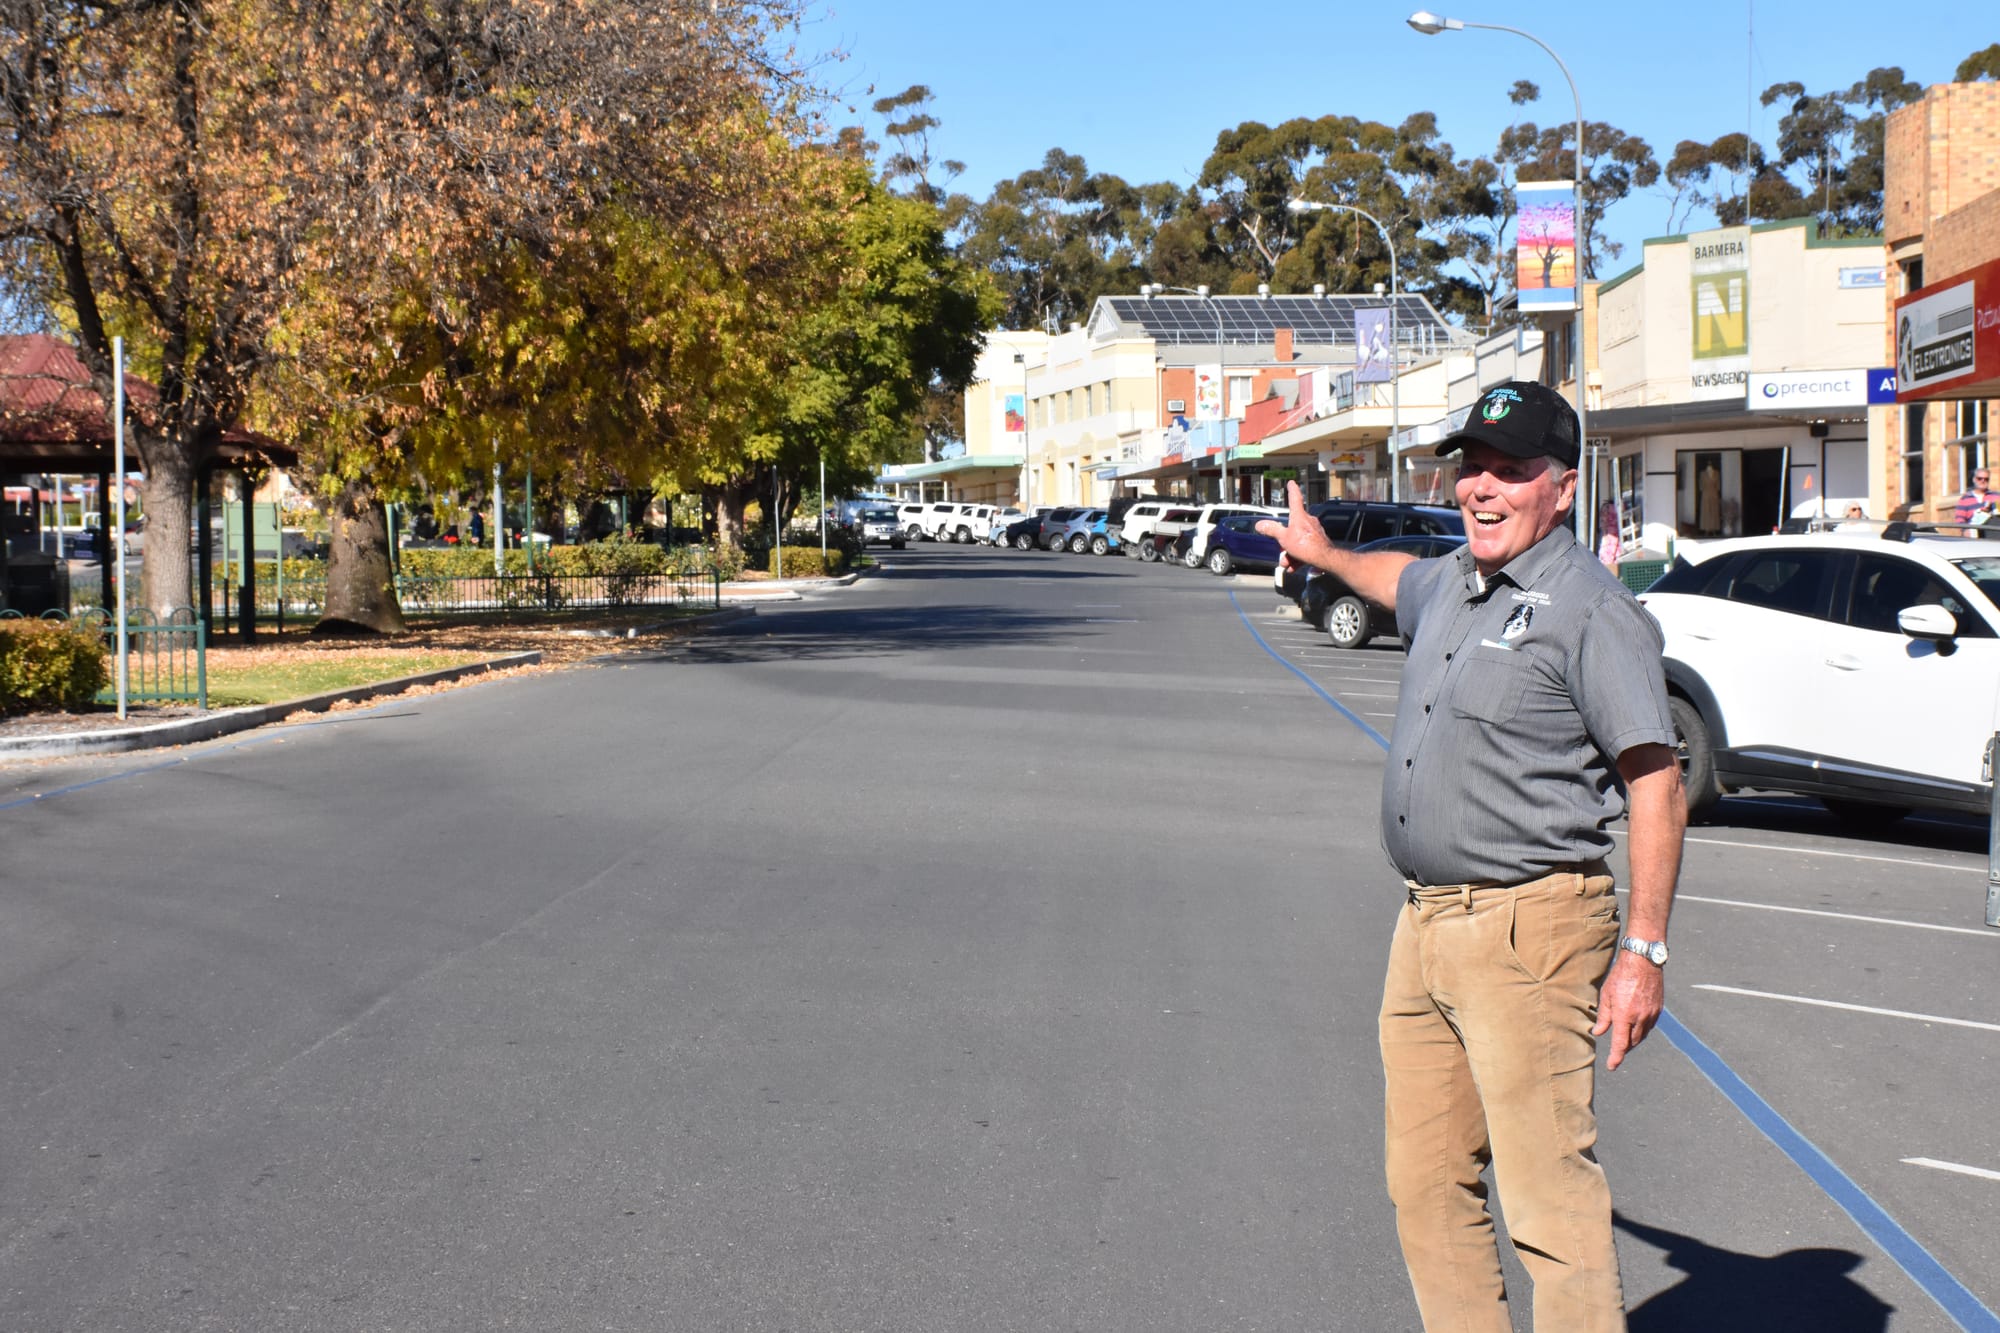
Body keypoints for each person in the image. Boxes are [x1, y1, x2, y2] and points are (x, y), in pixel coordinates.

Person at [1258, 380, 1685, 1333]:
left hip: (1531, 930)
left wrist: (1643, 954)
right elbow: (1395, 578)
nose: (1482, 489)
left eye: (1512, 471)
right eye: (1473, 468)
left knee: (1547, 1203)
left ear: (1563, 488)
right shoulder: (1456, 582)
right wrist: (1325, 553)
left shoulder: (1590, 610)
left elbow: (1657, 784)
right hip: (1426, 926)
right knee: (1423, 1181)